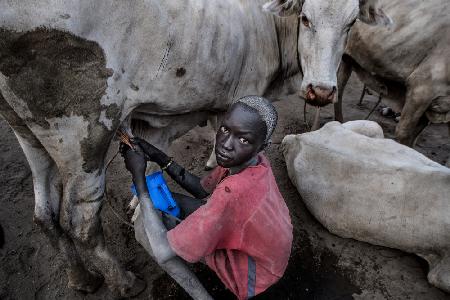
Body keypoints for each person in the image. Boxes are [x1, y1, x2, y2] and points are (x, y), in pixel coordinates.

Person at [121, 95, 293, 299]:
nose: (226, 144)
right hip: (268, 255)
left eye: (243, 139)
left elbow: (162, 251)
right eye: (225, 129)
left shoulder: (232, 192)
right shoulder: (252, 161)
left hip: (254, 276)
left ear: (263, 146)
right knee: (173, 203)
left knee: (145, 228)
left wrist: (139, 178)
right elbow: (201, 189)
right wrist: (158, 155)